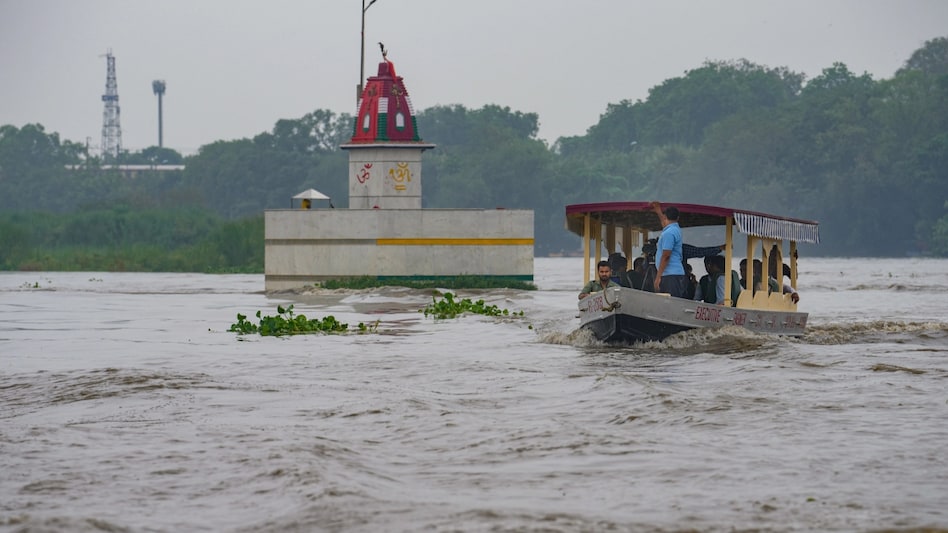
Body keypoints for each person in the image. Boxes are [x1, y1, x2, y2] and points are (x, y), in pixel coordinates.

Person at [650, 202, 688, 297]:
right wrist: (659, 211)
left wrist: (658, 277)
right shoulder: (674, 229)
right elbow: (665, 223)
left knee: (670, 303)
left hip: (670, 275)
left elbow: (666, 255)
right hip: (672, 274)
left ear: (666, 216)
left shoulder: (669, 233)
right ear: (678, 218)